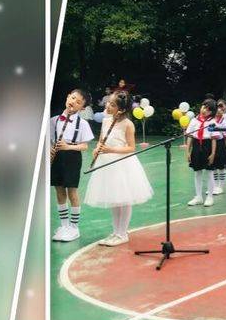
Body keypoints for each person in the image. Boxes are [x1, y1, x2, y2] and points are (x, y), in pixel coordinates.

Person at [85, 90, 154, 245]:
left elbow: (131, 147)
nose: (108, 106)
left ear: (121, 109)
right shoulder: (106, 121)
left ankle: (123, 234)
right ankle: (116, 232)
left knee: (124, 198)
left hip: (123, 164)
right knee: (114, 198)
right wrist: (97, 149)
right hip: (107, 164)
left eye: (112, 104)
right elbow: (101, 140)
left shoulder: (128, 124)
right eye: (108, 103)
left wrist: (111, 150)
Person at [50, 88, 95, 242]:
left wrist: (68, 146)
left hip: (72, 157)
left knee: (72, 192)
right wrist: (50, 150)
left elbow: (84, 146)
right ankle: (64, 226)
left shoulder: (82, 123)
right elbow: (50, 140)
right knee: (59, 190)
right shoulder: (54, 120)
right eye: (73, 98)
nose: (73, 102)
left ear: (82, 108)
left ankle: (74, 227)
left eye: (78, 102)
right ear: (68, 96)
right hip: (57, 157)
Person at [186, 99, 218, 207]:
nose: (204, 110)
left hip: (207, 146)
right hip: (196, 146)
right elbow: (190, 137)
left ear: (212, 112)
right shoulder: (194, 121)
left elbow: (214, 139)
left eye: (208, 110)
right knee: (197, 172)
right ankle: (198, 197)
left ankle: (210, 197)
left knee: (209, 172)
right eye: (204, 107)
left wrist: (213, 153)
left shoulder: (212, 122)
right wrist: (188, 152)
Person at [211, 98, 226, 195]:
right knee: (213, 166)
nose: (219, 110)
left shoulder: (224, 122)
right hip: (211, 143)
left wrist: (225, 148)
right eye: (218, 108)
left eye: (223, 110)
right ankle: (214, 186)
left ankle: (221, 187)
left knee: (221, 166)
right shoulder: (210, 119)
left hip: (220, 143)